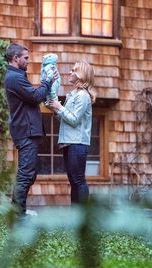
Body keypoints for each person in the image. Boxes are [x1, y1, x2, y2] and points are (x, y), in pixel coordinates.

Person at [4, 43, 57, 216]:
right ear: (15, 58)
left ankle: (18, 212)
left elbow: (32, 97)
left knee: (29, 173)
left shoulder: (17, 76)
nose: (28, 60)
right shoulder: (14, 78)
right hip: (25, 132)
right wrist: (47, 81)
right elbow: (35, 97)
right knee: (26, 174)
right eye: (25, 58)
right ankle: (17, 216)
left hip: (28, 132)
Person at [49, 61, 97, 204]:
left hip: (77, 143)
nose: (70, 73)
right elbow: (67, 119)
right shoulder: (73, 94)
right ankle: (75, 218)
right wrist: (55, 109)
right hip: (69, 142)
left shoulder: (83, 95)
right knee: (73, 180)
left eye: (73, 71)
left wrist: (59, 107)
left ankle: (82, 218)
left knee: (78, 180)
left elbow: (75, 119)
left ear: (81, 75)